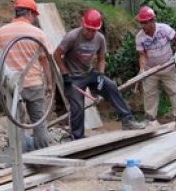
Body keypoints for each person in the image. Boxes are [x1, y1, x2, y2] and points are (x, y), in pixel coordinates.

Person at [53, 8, 145, 139]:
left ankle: (128, 120)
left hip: (89, 73)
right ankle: (77, 137)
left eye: (93, 30)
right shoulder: (72, 37)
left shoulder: (100, 39)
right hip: (73, 78)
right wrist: (64, 74)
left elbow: (101, 59)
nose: (90, 33)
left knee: (111, 86)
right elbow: (56, 54)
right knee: (78, 106)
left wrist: (101, 76)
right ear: (82, 23)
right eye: (88, 29)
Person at [0, 0, 52, 150]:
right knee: (39, 122)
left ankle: (19, 158)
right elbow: (45, 62)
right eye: (34, 16)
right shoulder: (39, 34)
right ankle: (43, 154)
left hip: (10, 87)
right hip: (33, 85)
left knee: (16, 124)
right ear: (30, 13)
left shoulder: (0, 33)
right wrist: (50, 84)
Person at [134, 6, 176, 127]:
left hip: (167, 66)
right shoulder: (140, 37)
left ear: (152, 21)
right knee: (149, 94)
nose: (143, 26)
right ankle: (150, 118)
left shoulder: (164, 29)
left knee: (173, 90)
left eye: (145, 23)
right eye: (141, 23)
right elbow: (142, 55)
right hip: (151, 69)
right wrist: (142, 69)